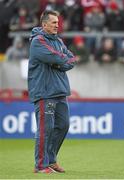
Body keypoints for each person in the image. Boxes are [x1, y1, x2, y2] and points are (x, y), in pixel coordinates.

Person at [28, 10, 76, 174]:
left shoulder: (59, 41)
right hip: (44, 91)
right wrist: (59, 61)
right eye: (54, 22)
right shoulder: (38, 41)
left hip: (59, 90)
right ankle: (40, 165)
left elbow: (71, 59)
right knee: (45, 129)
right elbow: (58, 58)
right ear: (44, 24)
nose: (57, 25)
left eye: (58, 22)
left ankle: (51, 160)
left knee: (63, 125)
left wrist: (59, 61)